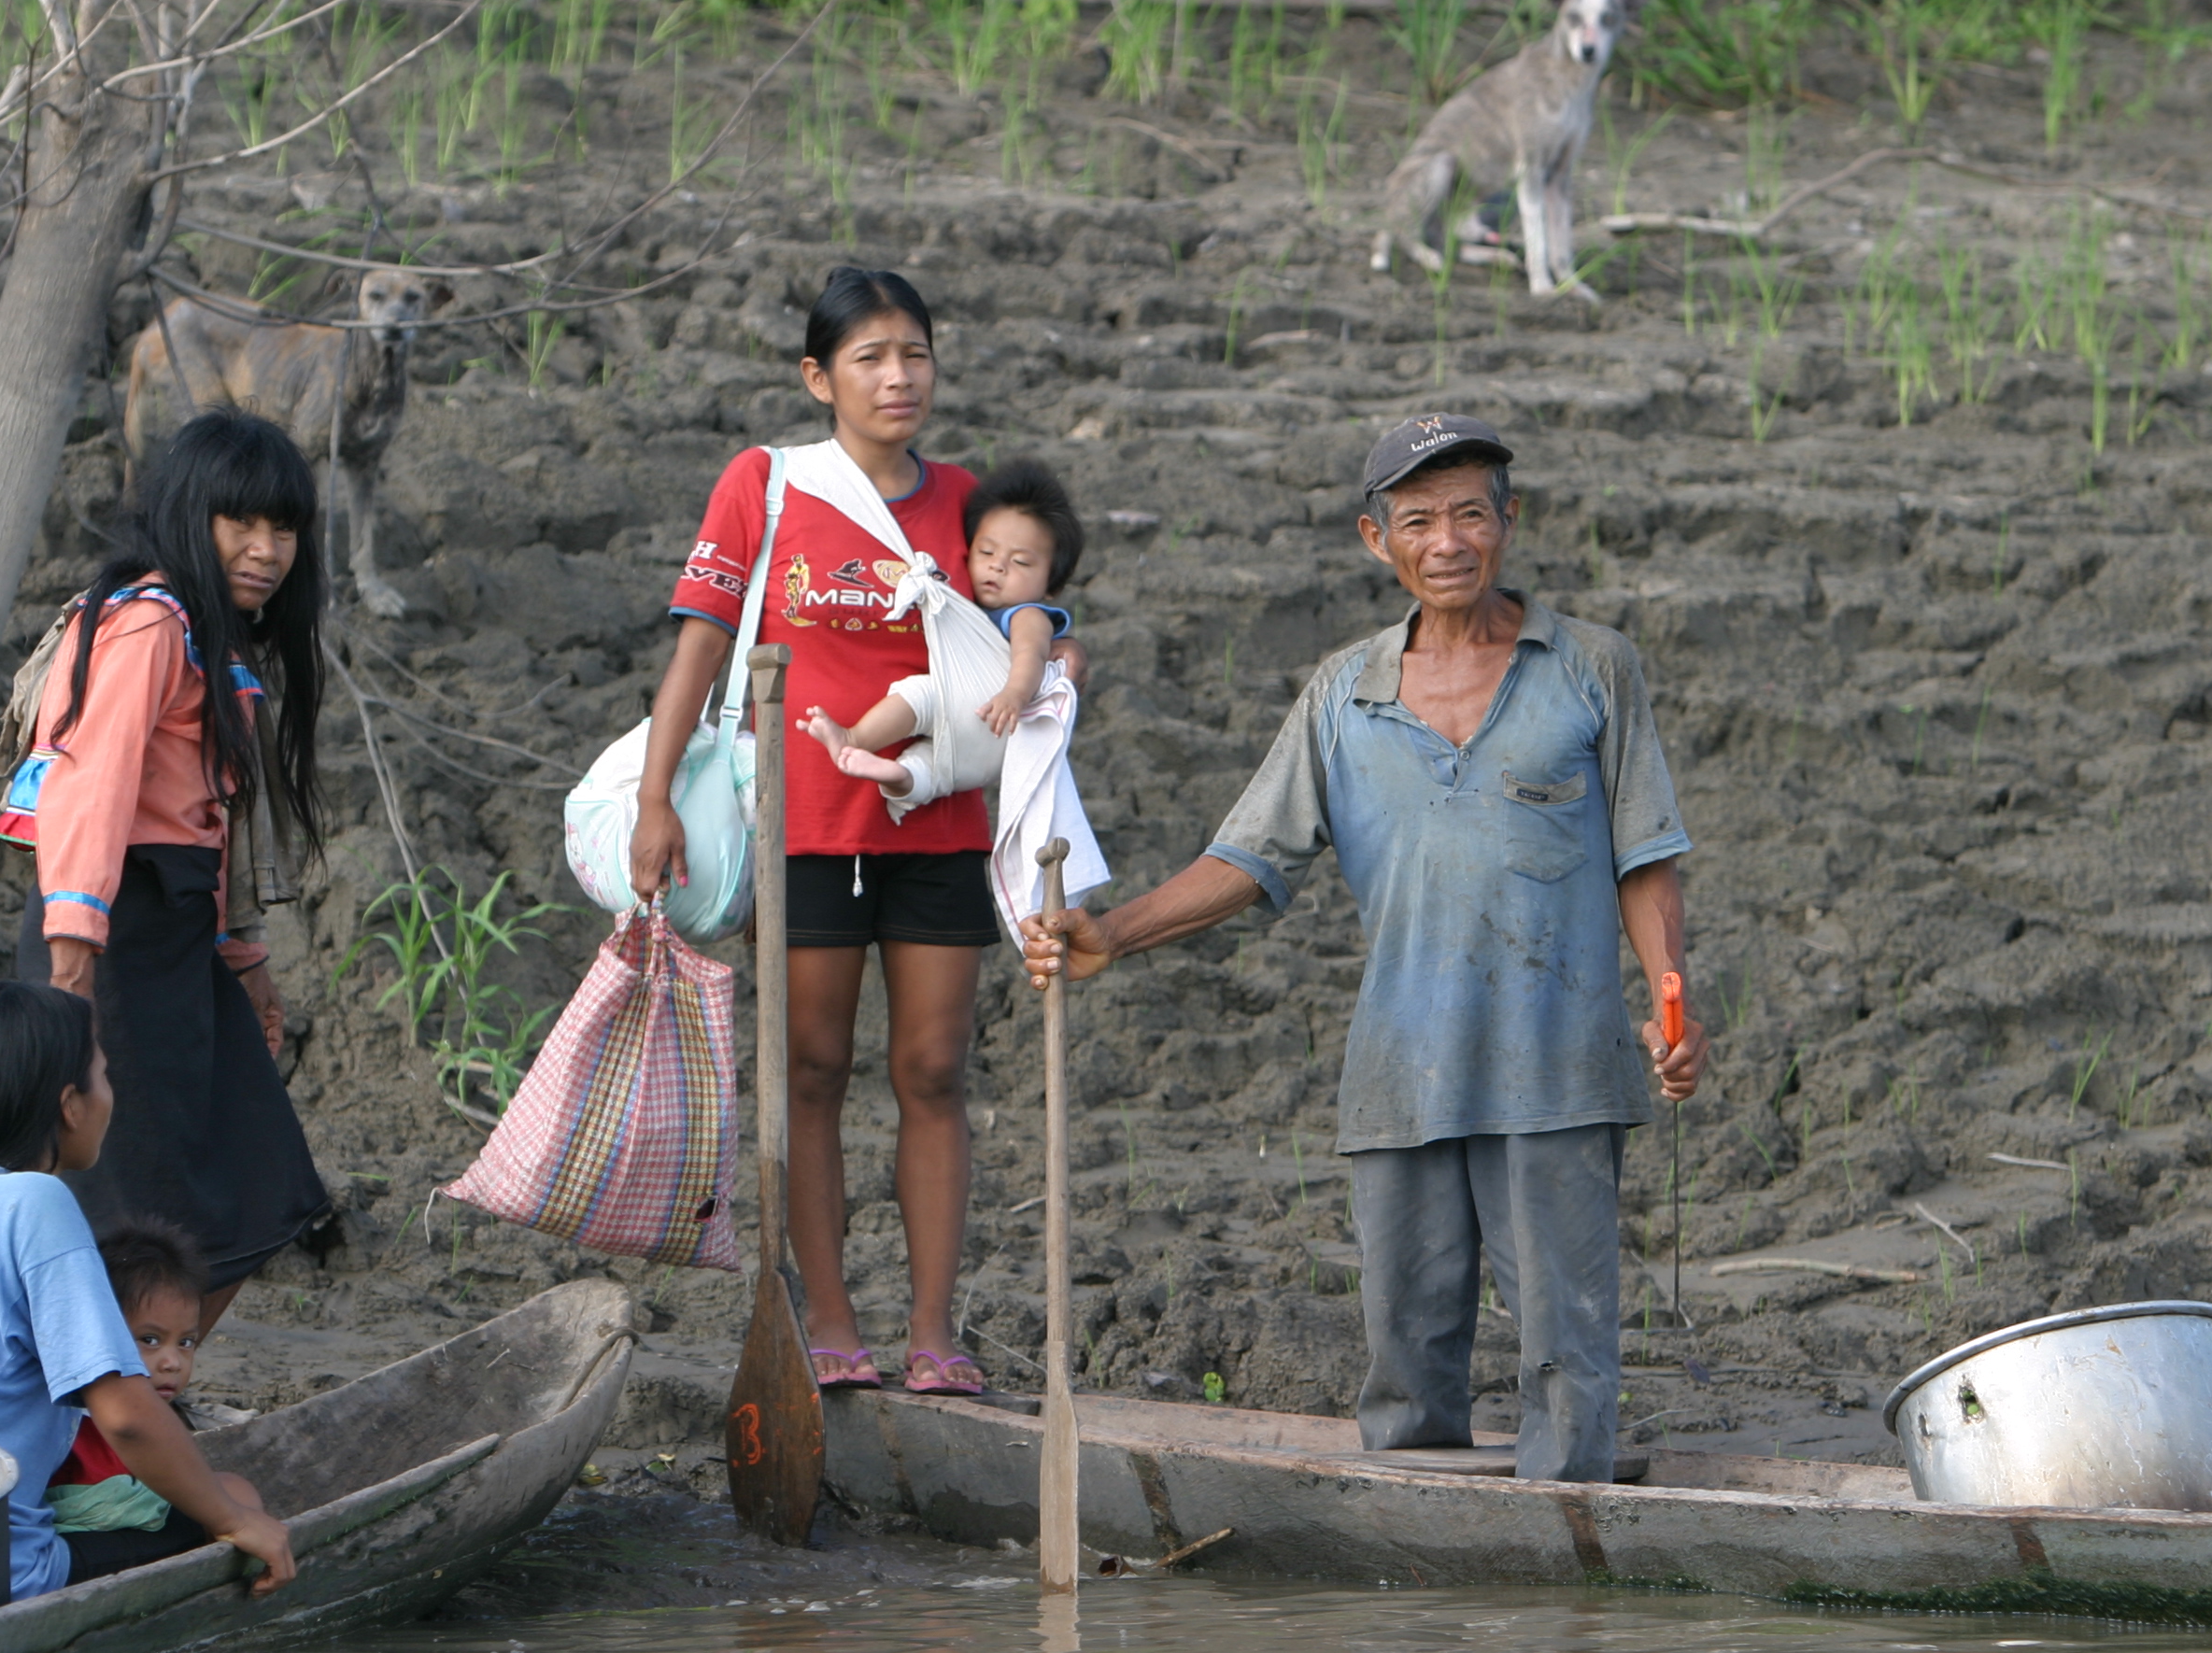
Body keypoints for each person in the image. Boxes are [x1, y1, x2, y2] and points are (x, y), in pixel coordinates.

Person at [1023, 416, 1705, 1484]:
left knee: (1567, 1350)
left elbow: (1643, 857)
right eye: (1419, 520)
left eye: (1471, 513)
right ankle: (1417, 1595)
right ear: (1375, 541)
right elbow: (1248, 855)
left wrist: (1673, 998)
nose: (1449, 541)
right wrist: (1113, 930)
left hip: (1561, 1069)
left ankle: (1568, 1580)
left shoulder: (1592, 669)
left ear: (1509, 523)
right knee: (1406, 1350)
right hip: (1402, 1074)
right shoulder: (1342, 696)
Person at [631, 267, 1086, 1398]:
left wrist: (1057, 658)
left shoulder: (970, 499)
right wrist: (654, 795)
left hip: (939, 821)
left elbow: (1024, 616)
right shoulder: (768, 484)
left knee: (934, 1068)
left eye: (915, 354)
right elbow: (698, 643)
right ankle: (827, 1317)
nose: (898, 377)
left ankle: (934, 1330)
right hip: (806, 823)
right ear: (817, 377)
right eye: (870, 357)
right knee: (816, 1070)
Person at [0, 408, 333, 1335]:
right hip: (115, 940)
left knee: (268, 1184)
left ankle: (145, 1400)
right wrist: (73, 975)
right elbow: (90, 789)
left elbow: (204, 821)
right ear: (194, 516)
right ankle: (107, 1425)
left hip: (179, 942)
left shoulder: (208, 638)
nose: (267, 550)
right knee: (135, 1213)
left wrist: (244, 958)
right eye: (243, 525)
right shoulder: (151, 623)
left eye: (284, 528)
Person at [0, 982, 296, 1605]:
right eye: (103, 1075)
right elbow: (128, 1417)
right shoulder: (35, 1201)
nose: (112, 1094)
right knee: (238, 1493)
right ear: (70, 1105)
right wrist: (235, 1521)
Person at [800, 459, 1084, 816]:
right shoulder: (973, 611)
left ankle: (855, 738)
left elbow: (1030, 654)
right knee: (932, 768)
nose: (998, 566)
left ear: (1052, 585)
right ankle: (901, 777)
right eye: (986, 552)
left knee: (921, 695)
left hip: (994, 713)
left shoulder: (1028, 615)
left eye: (1022, 563)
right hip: (974, 736)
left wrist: (1014, 694)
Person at [45, 1218, 270, 1565]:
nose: (172, 1362)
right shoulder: (105, 1413)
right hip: (83, 1540)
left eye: (186, 1343)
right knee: (237, 1490)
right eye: (149, 1340)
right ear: (101, 1332)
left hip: (100, 1527)